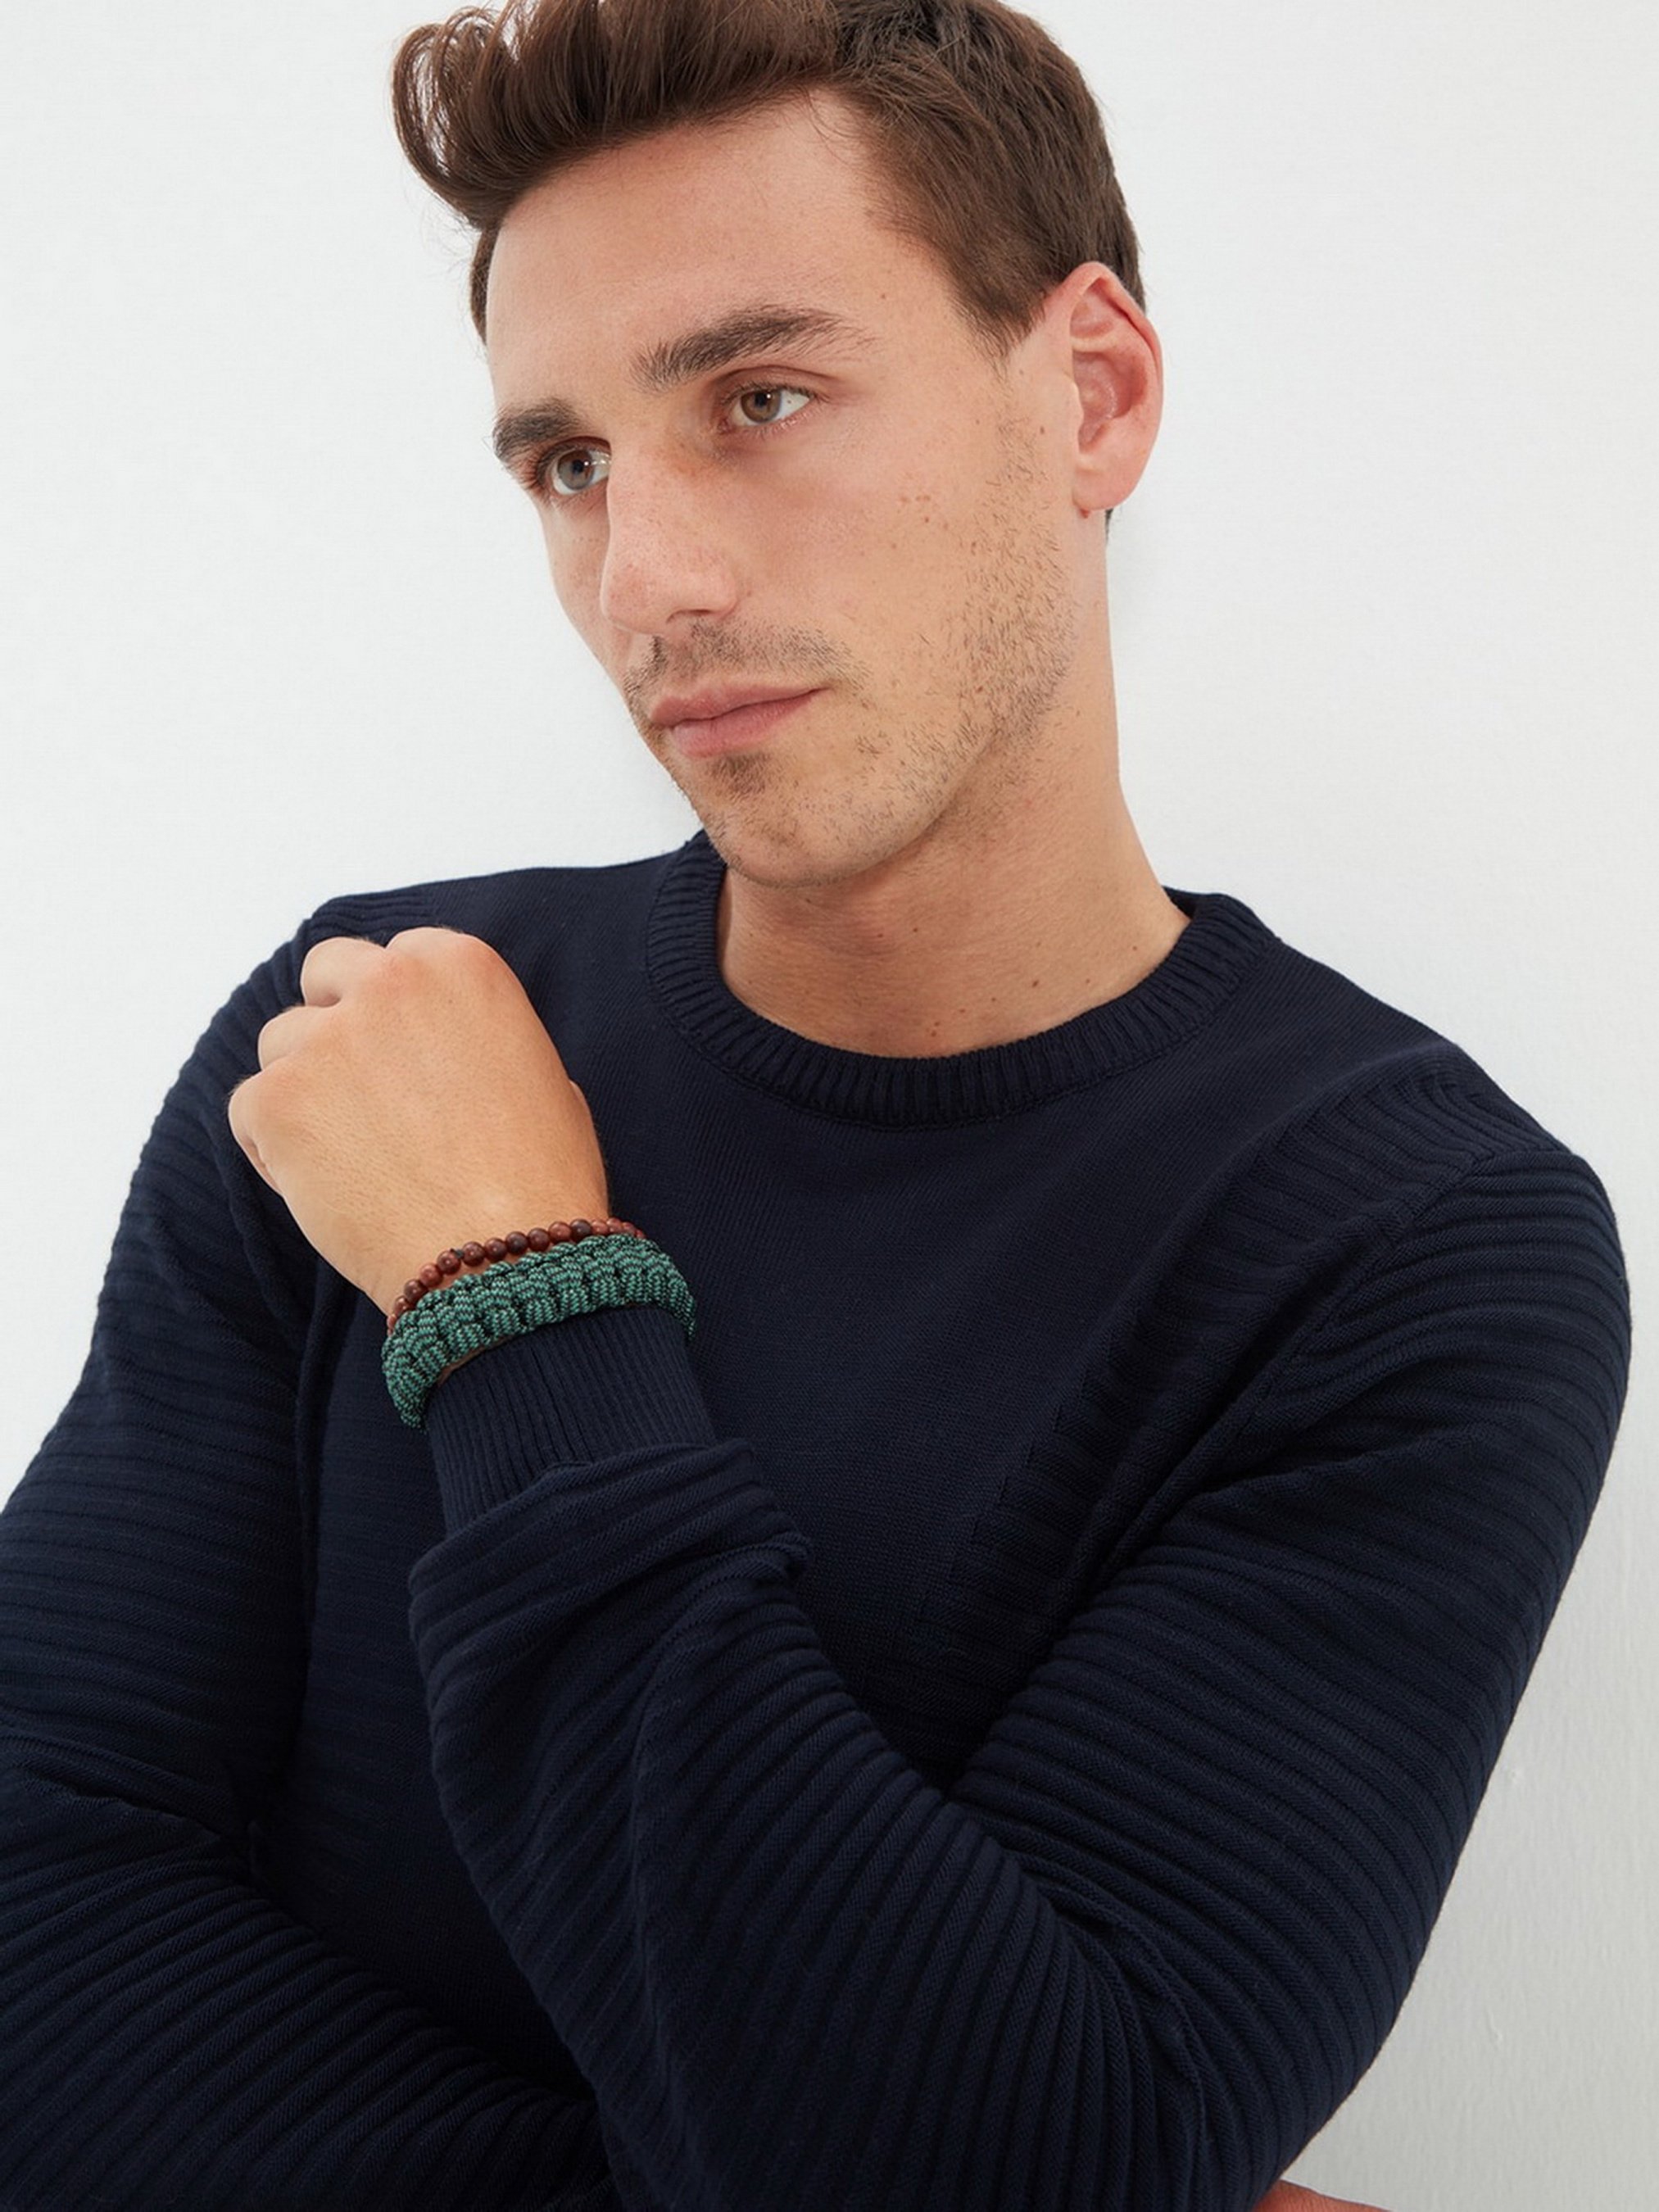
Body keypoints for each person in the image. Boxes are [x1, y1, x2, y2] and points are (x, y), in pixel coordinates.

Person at [0, 0, 1629, 2205]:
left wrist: (509, 1288)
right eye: (569, 464)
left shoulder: (1408, 1242)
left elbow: (1031, 2156)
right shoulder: (362, 1037)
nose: (646, 581)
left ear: (1092, 393)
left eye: (759, 401)